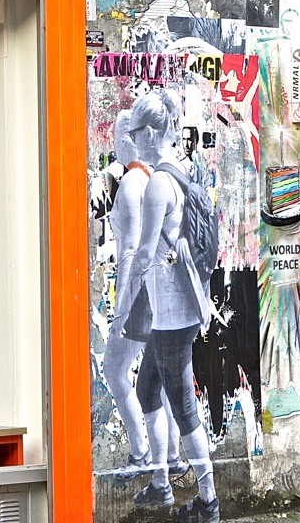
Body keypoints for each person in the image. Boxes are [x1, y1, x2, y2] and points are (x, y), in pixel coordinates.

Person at [127, 89, 220, 522]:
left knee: (182, 405)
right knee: (147, 389)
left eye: (135, 132)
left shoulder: (156, 185)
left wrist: (124, 301)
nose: (132, 140)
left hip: (171, 313)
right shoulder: (180, 171)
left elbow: (146, 253)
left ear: (151, 132)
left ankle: (208, 500)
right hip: (176, 309)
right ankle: (162, 484)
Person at [104, 110, 187, 482]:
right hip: (161, 295)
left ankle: (140, 452)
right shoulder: (155, 179)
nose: (114, 143)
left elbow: (130, 252)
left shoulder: (131, 184)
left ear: (128, 139)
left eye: (117, 136)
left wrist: (120, 310)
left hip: (139, 296)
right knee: (157, 377)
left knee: (114, 370)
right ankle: (171, 456)